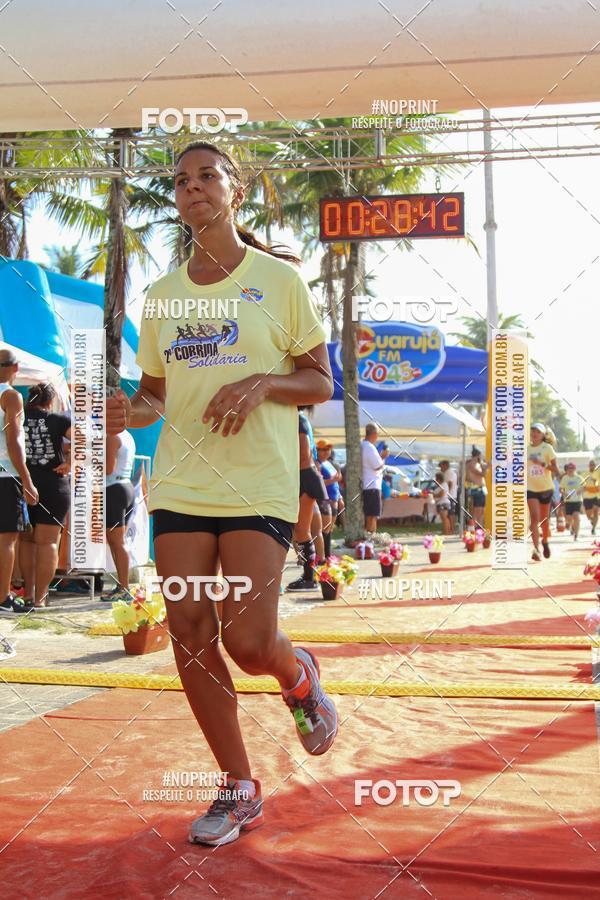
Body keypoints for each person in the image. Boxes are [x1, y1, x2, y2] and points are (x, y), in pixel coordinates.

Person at [106, 140, 337, 846]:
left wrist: (263, 382)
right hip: (181, 481)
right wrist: (125, 411)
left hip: (258, 482)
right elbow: (154, 396)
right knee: (188, 629)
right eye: (181, 180)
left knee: (248, 642)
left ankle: (297, 674)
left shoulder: (279, 281)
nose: (193, 187)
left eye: (208, 176)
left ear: (235, 189)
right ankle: (239, 786)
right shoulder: (161, 296)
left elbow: (320, 380)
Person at [19, 383, 71, 609]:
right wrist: (70, 462)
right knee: (48, 542)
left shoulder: (18, 417)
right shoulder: (57, 419)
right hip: (54, 485)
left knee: (26, 540)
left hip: (23, 483)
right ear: (50, 402)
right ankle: (40, 598)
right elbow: (85, 439)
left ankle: (28, 595)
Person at [0, 350, 39, 613]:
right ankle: (3, 598)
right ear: (16, 368)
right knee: (7, 540)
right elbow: (13, 440)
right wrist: (27, 479)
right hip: (6, 474)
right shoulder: (11, 396)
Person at [288, 408, 329, 591]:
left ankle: (309, 578)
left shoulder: (298, 420)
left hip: (304, 477)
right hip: (305, 476)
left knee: (302, 531)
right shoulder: (300, 419)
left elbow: (303, 455)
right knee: (301, 531)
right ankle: (308, 576)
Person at [103, 429, 137, 601]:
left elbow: (108, 469)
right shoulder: (127, 435)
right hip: (125, 486)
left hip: (114, 489)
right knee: (117, 541)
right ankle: (122, 586)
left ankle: (124, 588)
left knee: (117, 542)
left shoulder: (112, 436)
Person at [527, 423, 560, 561]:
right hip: (531, 488)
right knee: (534, 518)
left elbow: (556, 469)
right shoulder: (526, 449)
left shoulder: (547, 448)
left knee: (544, 520)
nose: (534, 434)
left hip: (546, 488)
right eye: (533, 431)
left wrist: (541, 463)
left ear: (543, 435)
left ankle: (545, 541)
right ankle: (536, 549)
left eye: (538, 432)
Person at [316, 439, 341, 559]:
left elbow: (336, 482)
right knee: (324, 529)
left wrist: (340, 497)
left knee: (330, 529)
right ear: (318, 450)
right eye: (324, 449)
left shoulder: (328, 463)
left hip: (334, 498)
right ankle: (322, 556)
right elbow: (318, 483)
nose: (327, 451)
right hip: (325, 499)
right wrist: (333, 480)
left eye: (329, 449)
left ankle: (327, 556)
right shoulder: (317, 464)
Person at [361, 423, 385, 534]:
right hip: (372, 486)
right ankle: (371, 538)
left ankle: (369, 537)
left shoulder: (362, 445)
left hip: (366, 485)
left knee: (369, 515)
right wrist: (383, 457)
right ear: (374, 434)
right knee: (372, 515)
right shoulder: (369, 447)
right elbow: (378, 466)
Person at [465, 447, 488, 529]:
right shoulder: (471, 464)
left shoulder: (478, 464)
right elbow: (482, 474)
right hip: (476, 489)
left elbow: (484, 472)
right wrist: (484, 468)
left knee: (481, 510)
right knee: (476, 511)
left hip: (481, 489)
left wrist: (485, 466)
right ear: (478, 456)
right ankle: (472, 529)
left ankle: (478, 528)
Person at [559, 462, 584, 541]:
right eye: (569, 468)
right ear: (567, 470)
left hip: (577, 500)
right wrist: (564, 493)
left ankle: (576, 535)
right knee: (569, 518)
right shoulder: (565, 478)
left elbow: (584, 486)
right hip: (568, 501)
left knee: (576, 515)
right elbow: (561, 488)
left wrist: (580, 491)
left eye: (572, 468)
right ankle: (572, 526)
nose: (570, 470)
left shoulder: (579, 478)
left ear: (574, 469)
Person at [582, 460, 600, 536]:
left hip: (597, 496)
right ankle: (593, 521)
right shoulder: (585, 474)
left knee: (596, 511)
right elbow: (583, 485)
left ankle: (593, 528)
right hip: (587, 496)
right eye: (591, 464)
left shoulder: (598, 473)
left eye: (593, 464)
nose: (592, 466)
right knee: (588, 515)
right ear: (589, 466)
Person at [440, 459, 458, 533]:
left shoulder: (448, 472)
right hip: (452, 495)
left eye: (441, 466)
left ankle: (451, 529)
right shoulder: (450, 472)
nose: (440, 468)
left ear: (445, 465)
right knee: (450, 513)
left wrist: (446, 493)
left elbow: (449, 484)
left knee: (450, 514)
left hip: (450, 496)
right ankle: (450, 529)